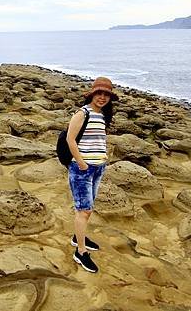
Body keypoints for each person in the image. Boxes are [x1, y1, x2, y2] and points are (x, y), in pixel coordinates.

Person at [66, 76, 117, 273]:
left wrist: (103, 158)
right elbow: (71, 139)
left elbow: (99, 139)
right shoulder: (82, 113)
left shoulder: (103, 115)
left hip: (98, 167)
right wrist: (81, 162)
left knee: (86, 209)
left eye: (106, 94)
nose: (102, 97)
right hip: (82, 169)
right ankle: (80, 251)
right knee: (84, 210)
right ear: (92, 94)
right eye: (99, 93)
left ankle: (77, 236)